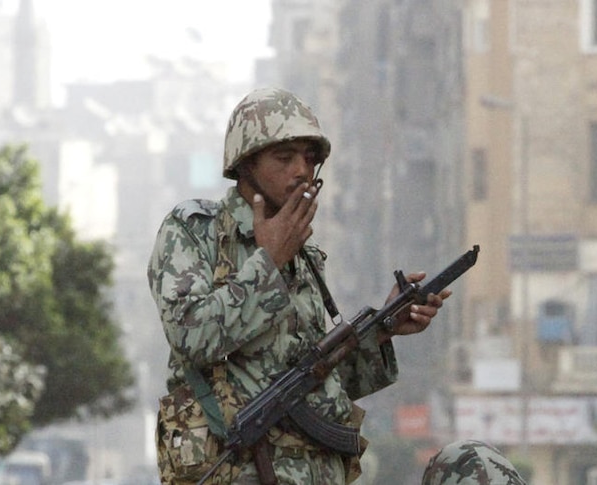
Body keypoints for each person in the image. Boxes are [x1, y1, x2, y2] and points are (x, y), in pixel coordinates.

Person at [147, 87, 451, 484]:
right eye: (284, 157)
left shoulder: (304, 254)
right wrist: (268, 262)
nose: (302, 171)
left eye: (309, 159)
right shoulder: (195, 231)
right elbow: (190, 335)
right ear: (246, 163)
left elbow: (316, 386)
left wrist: (384, 328)